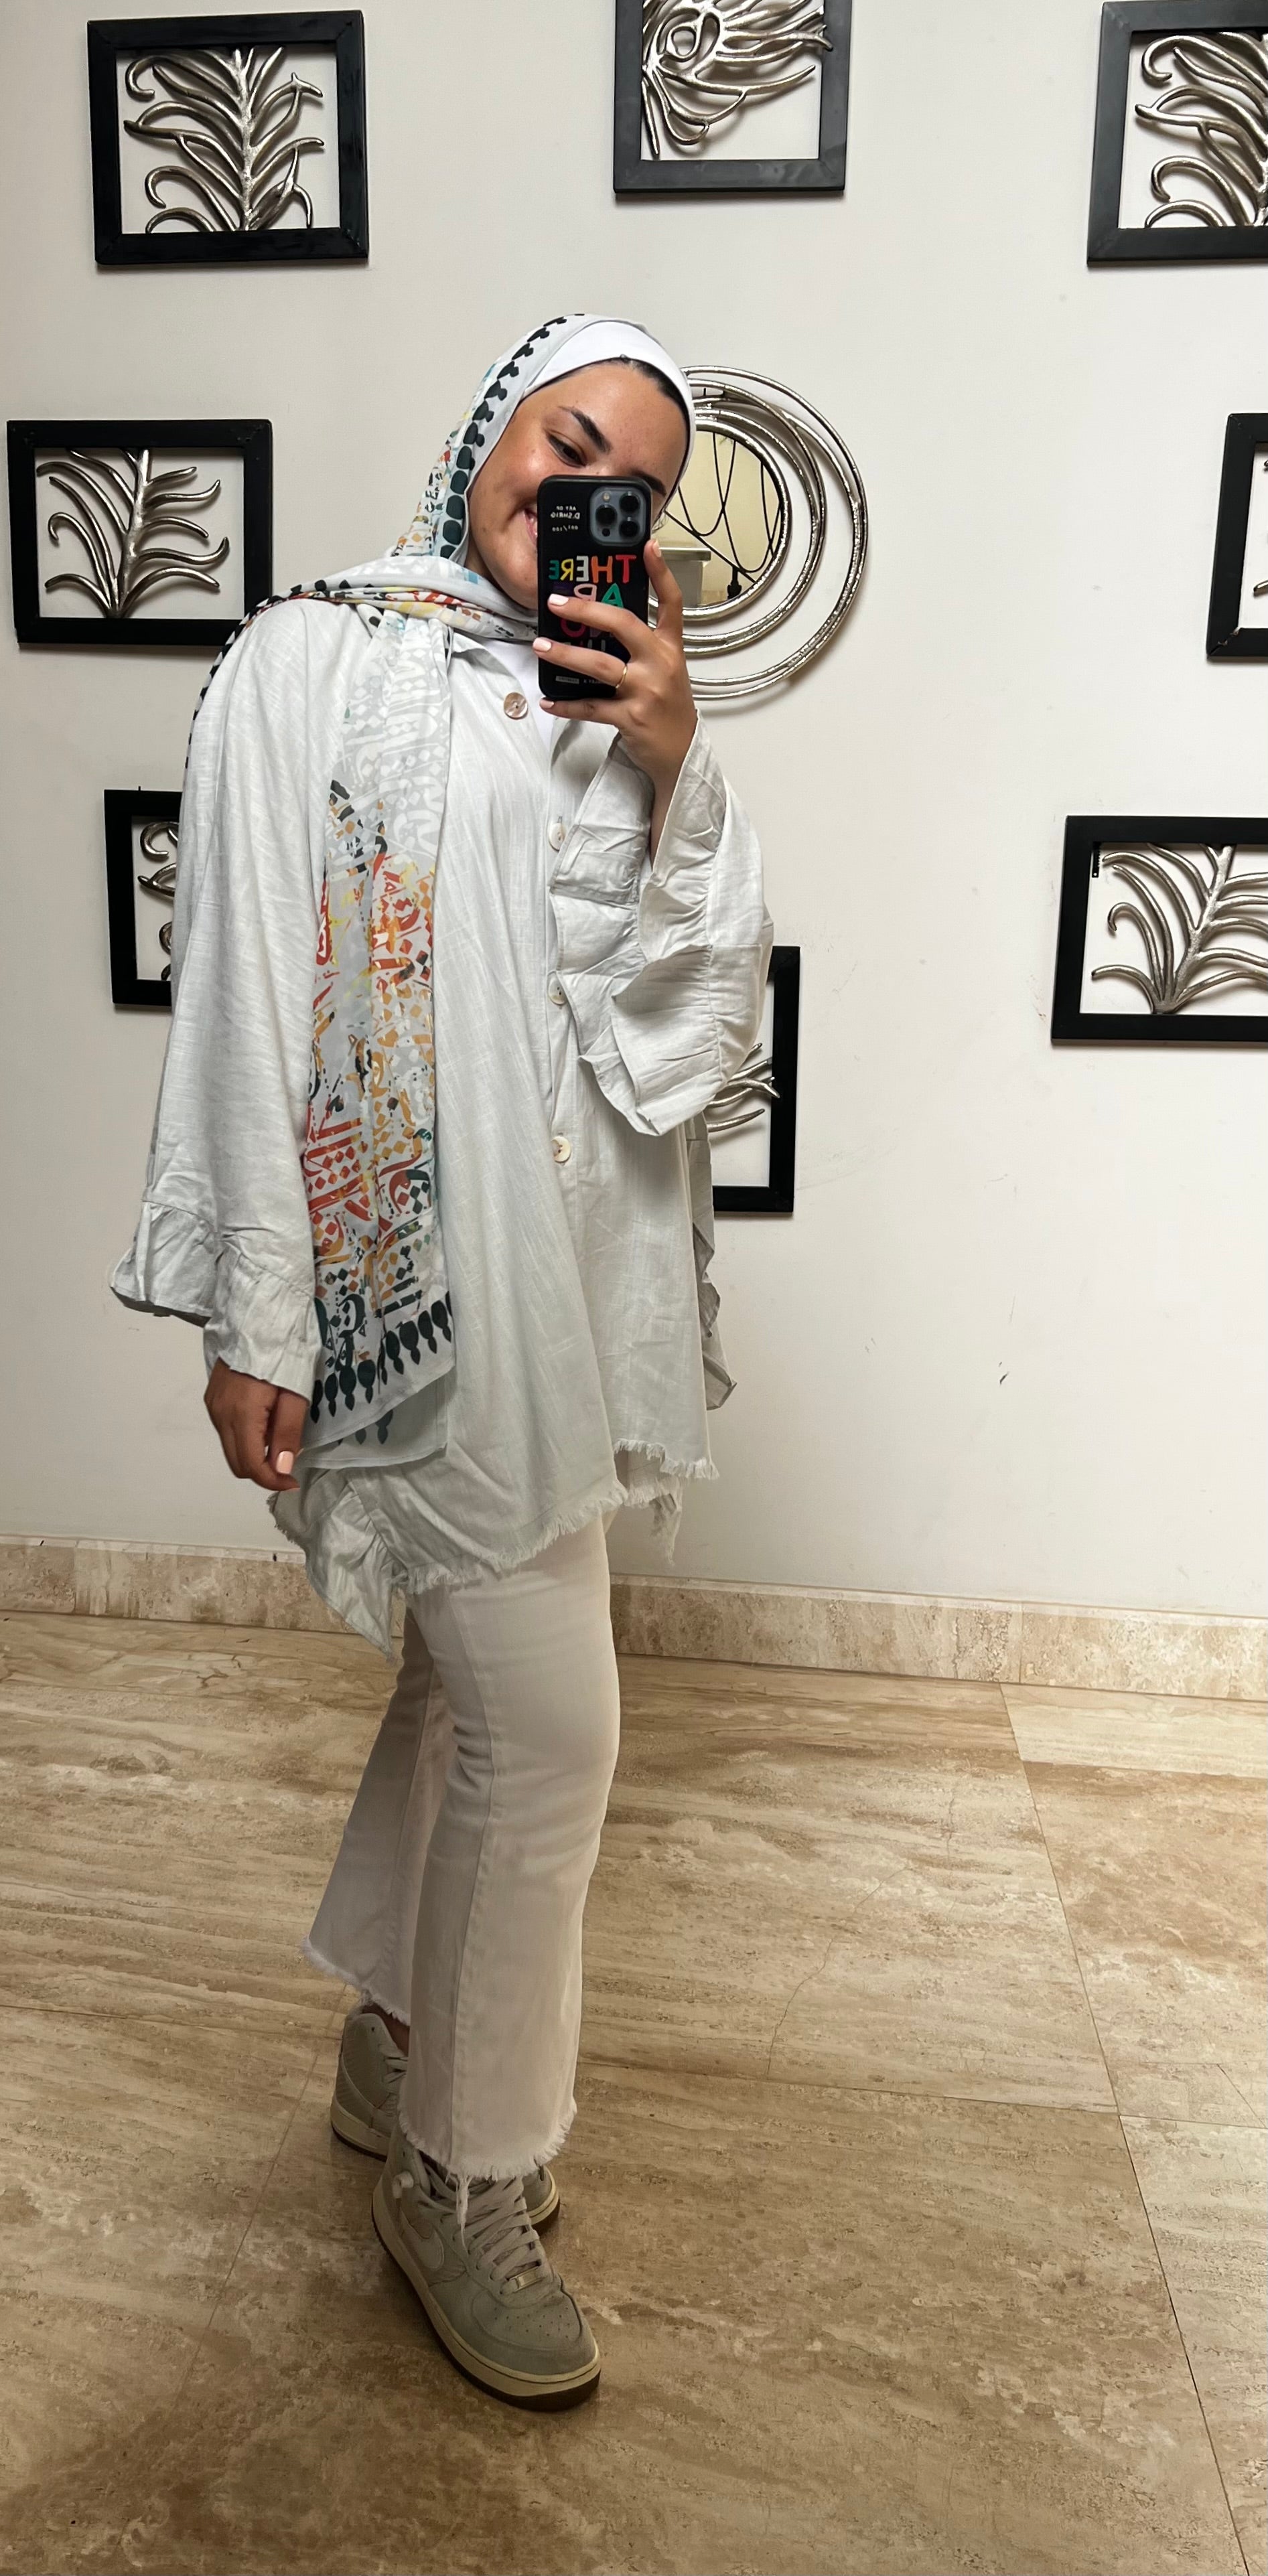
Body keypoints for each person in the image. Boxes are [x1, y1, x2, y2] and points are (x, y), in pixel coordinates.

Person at [113, 313, 770, 2409]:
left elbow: (673, 1027)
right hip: (411, 1277)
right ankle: (464, 2178)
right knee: (551, 1734)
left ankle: (400, 2051)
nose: (589, 496)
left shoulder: (603, 690)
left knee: (478, 1688)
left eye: (633, 488)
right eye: (569, 444)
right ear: (491, 434)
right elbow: (244, 985)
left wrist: (673, 762)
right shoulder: (306, 660)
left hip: (575, 1285)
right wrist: (259, 1305)